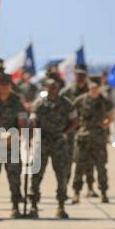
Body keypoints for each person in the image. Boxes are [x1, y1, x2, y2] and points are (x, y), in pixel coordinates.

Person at [29, 77, 77, 219]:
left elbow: (75, 121)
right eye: (50, 87)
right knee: (36, 175)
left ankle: (61, 206)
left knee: (61, 175)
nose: (52, 89)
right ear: (45, 88)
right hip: (42, 143)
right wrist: (34, 137)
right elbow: (33, 121)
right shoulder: (39, 104)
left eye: (55, 87)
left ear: (59, 88)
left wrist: (64, 133)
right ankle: (34, 206)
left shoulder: (66, 104)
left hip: (58, 143)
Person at [0, 72, 28, 219]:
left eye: (6, 85)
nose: (4, 88)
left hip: (12, 145)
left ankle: (15, 207)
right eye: (1, 85)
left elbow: (23, 123)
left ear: (10, 85)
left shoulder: (16, 101)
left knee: (14, 177)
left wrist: (14, 135)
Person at [72, 77, 114, 204]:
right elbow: (72, 114)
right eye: (92, 88)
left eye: (96, 88)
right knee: (80, 166)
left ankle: (104, 192)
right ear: (89, 88)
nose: (94, 90)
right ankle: (76, 192)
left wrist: (105, 125)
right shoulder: (81, 100)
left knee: (101, 167)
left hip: (99, 137)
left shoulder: (104, 101)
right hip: (84, 136)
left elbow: (111, 116)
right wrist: (78, 126)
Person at [61, 64, 98, 198]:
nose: (80, 78)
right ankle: (64, 189)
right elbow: (60, 108)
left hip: (86, 131)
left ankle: (90, 188)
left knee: (88, 160)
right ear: (75, 76)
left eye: (83, 75)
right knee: (68, 161)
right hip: (71, 131)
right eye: (78, 75)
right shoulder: (67, 91)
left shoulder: (90, 91)